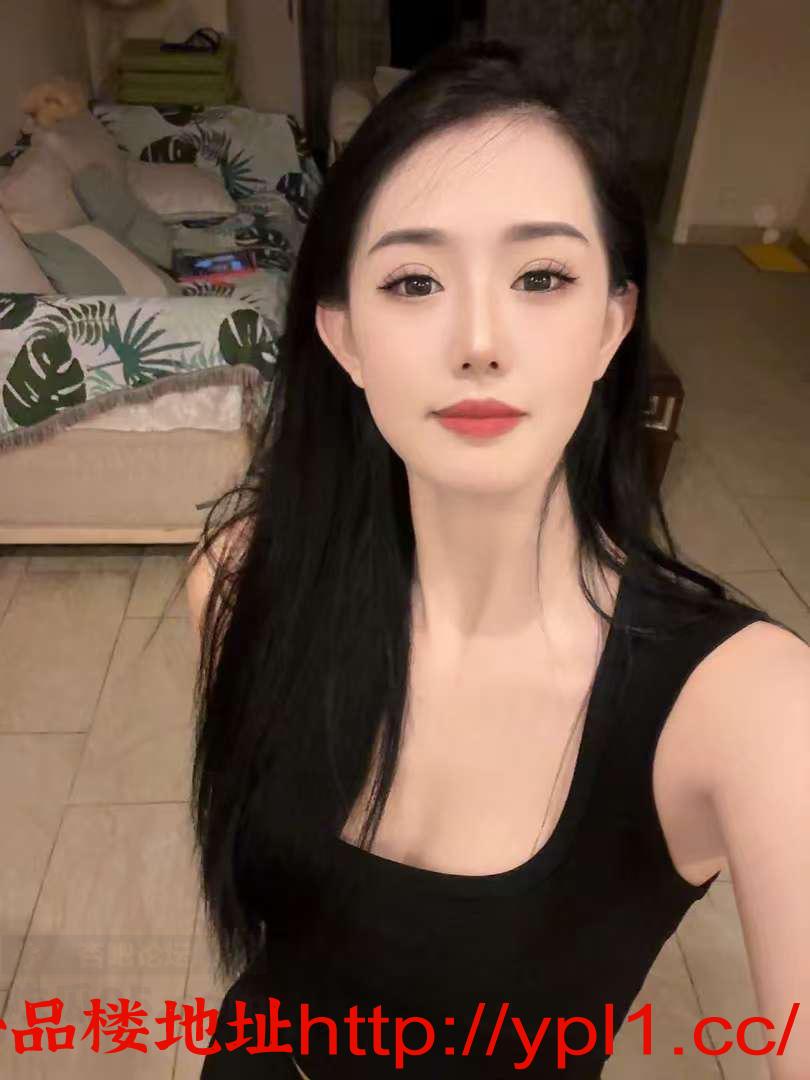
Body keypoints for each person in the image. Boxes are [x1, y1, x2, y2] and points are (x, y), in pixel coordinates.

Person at [180, 38, 810, 1079]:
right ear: (344, 337)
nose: (479, 339)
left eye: (542, 276)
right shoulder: (240, 580)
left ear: (613, 325)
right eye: (415, 280)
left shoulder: (754, 708)